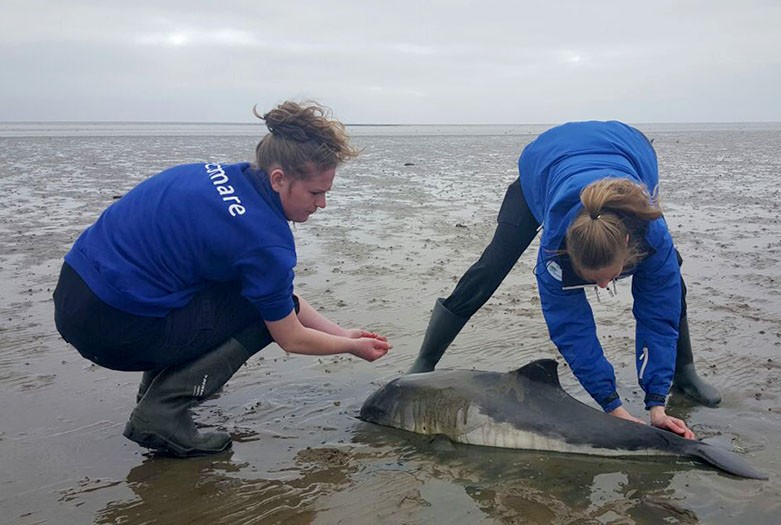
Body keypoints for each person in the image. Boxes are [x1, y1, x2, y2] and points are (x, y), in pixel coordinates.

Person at [53, 100, 391, 457]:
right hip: (112, 331)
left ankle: (156, 395)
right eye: (315, 193)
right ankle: (161, 413)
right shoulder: (266, 241)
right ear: (279, 179)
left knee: (243, 292)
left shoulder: (210, 174)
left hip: (73, 296)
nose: (321, 204)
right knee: (259, 314)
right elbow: (290, 337)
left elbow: (280, 295)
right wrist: (351, 347)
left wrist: (340, 332)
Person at [408, 120, 721, 438]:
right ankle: (424, 361)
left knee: (669, 278)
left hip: (627, 153)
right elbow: (571, 328)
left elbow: (658, 312)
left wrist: (656, 404)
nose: (602, 287)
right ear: (567, 253)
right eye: (593, 280)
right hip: (543, 168)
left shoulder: (651, 235)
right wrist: (612, 405)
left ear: (628, 243)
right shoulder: (553, 247)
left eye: (609, 278)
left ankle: (683, 372)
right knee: (490, 268)